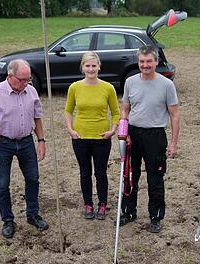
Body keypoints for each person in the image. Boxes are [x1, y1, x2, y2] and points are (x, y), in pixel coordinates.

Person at [119, 45, 180, 233]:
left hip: (155, 136)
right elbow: (125, 108)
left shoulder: (167, 85)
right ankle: (129, 212)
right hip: (133, 135)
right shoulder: (130, 82)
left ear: (156, 62)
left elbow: (175, 114)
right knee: (130, 176)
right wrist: (124, 132)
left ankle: (155, 216)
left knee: (155, 178)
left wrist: (174, 143)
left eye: (149, 62)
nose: (145, 65)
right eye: (142, 62)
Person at [0, 59, 49, 239]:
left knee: (33, 179)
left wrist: (41, 140)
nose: (26, 83)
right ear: (10, 76)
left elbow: (37, 117)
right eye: (22, 79)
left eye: (28, 79)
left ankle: (33, 214)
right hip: (1, 144)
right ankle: (8, 220)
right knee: (2, 184)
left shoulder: (31, 91)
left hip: (26, 142)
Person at [65, 51, 120, 220]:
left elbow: (116, 112)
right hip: (80, 137)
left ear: (99, 67)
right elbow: (68, 111)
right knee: (85, 172)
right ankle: (88, 203)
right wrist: (70, 130)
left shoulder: (108, 88)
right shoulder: (74, 87)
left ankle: (102, 204)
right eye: (87, 66)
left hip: (102, 138)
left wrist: (113, 130)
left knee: (101, 172)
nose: (90, 69)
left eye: (93, 66)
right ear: (82, 67)